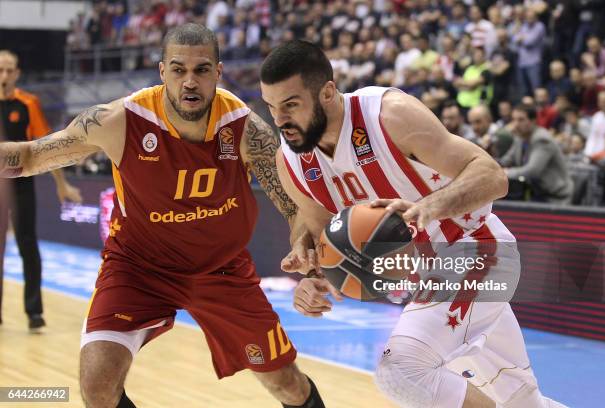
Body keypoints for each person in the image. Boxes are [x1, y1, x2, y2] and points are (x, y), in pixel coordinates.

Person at [0, 25, 325, 408]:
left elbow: (293, 204)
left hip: (221, 270)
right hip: (138, 267)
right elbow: (30, 155)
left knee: (287, 385)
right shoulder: (119, 119)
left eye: (202, 70)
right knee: (97, 385)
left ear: (218, 73)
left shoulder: (243, 127)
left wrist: (305, 250)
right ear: (161, 72)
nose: (190, 82)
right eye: (178, 70)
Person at [259, 40, 568, 408]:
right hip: (428, 280)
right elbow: (323, 236)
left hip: (477, 252)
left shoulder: (389, 115)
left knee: (401, 370)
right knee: (524, 402)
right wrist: (312, 277)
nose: (280, 120)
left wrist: (427, 208)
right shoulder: (291, 162)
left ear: (327, 92)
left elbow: (492, 176)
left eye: (291, 105)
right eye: (272, 107)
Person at [0, 49, 82, 331]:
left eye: (10, 70)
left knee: (27, 244)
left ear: (18, 74)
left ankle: (34, 312)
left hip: (21, 184)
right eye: (1, 70)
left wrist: (62, 184)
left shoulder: (28, 103)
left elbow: (48, 147)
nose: (5, 76)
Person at [500, 104, 574, 205]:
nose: (516, 124)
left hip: (555, 198)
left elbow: (532, 170)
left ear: (533, 121)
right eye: (514, 119)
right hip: (536, 194)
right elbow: (506, 160)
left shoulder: (542, 139)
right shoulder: (520, 137)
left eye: (521, 120)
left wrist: (505, 173)